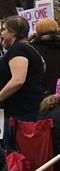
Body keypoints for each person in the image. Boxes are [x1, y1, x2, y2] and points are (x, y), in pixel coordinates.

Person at [0, 15, 46, 149]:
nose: (1, 34)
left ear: (13, 32)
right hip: (26, 110)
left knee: (19, 155)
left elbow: (18, 80)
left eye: (3, 30)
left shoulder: (19, 49)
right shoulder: (30, 48)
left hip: (22, 113)